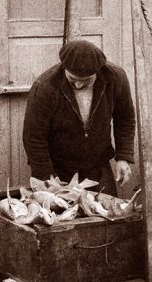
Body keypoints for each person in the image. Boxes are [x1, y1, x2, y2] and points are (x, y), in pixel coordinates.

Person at [23, 40, 136, 196]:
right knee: (62, 210)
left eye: (86, 81)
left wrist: (123, 157)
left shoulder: (115, 78)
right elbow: (34, 137)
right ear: (64, 68)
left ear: (98, 72)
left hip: (99, 165)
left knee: (107, 208)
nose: (78, 85)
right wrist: (45, 175)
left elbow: (125, 119)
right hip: (59, 168)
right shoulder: (45, 87)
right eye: (72, 79)